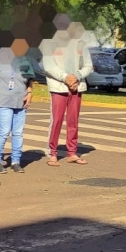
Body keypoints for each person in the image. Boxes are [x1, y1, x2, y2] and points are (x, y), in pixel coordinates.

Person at [41, 32, 93, 167]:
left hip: (76, 87)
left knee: (73, 121)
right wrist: (66, 78)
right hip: (59, 87)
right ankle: (52, 153)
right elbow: (49, 67)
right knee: (57, 121)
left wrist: (76, 76)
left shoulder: (81, 45)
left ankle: (72, 153)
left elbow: (88, 65)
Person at [0, 56, 34, 174]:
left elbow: (29, 80)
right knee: (4, 131)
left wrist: (29, 93)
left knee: (18, 133)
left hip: (20, 102)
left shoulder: (25, 61)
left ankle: (16, 162)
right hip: (2, 101)